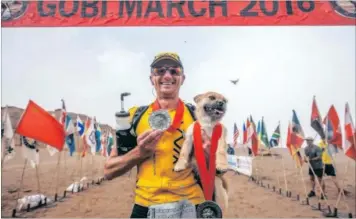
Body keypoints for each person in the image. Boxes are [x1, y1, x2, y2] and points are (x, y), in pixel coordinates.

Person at [104, 52, 216, 218]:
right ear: (152, 78)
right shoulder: (133, 117)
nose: (167, 75)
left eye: (174, 71)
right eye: (160, 71)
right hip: (146, 205)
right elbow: (109, 170)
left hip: (191, 203)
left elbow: (217, 168)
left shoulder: (198, 117)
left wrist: (207, 154)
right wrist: (139, 153)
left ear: (182, 78)